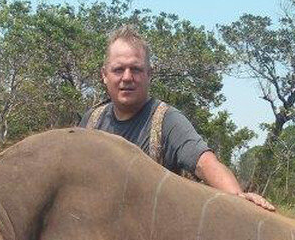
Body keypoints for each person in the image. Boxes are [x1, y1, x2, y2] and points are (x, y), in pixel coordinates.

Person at [80, 25, 275, 212]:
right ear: (104, 75)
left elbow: (204, 162)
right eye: (118, 70)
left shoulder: (166, 120)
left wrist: (238, 197)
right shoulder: (91, 121)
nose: (127, 77)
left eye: (136, 69)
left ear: (149, 74)